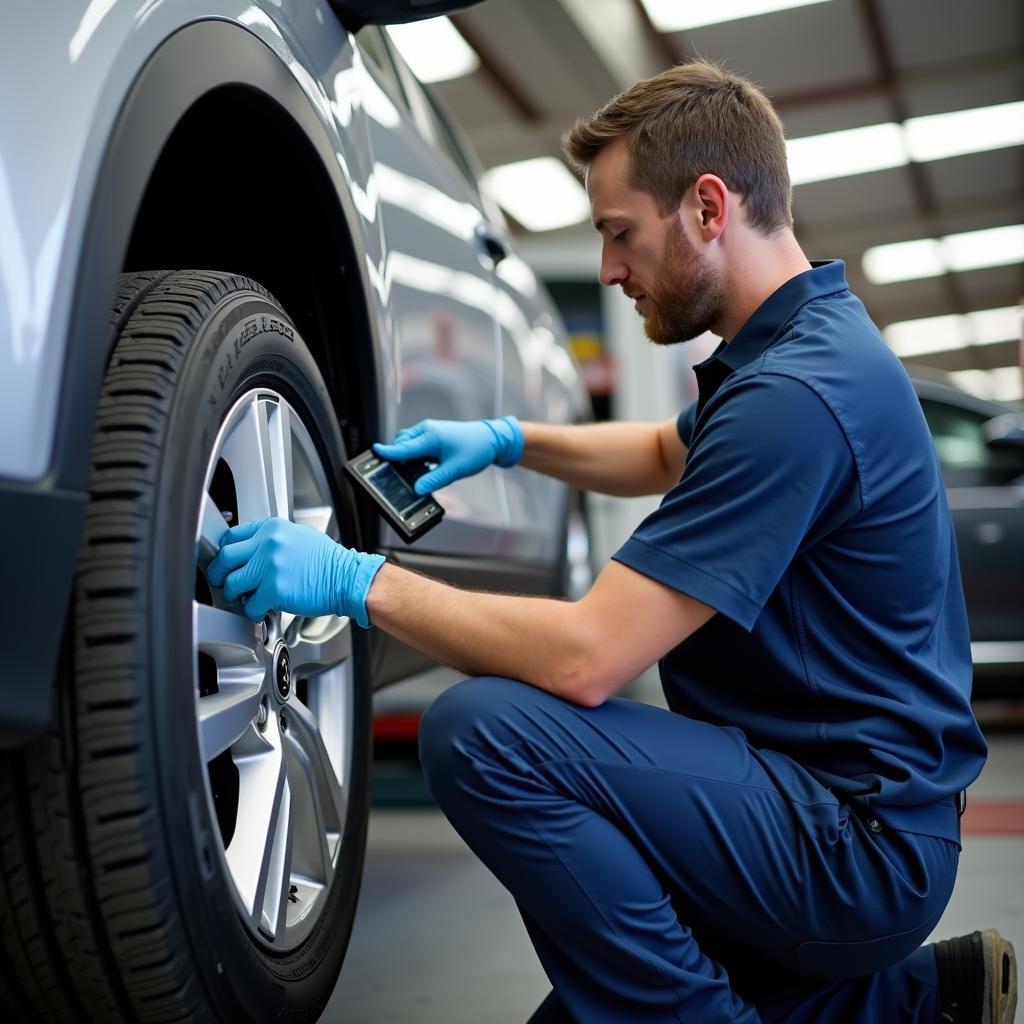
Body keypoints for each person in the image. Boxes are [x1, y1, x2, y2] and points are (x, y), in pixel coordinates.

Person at [205, 58, 1017, 1024]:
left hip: (851, 847)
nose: (610, 270)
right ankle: (922, 1002)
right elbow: (657, 450)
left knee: (485, 733)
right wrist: (506, 442)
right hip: (838, 811)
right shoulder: (803, 347)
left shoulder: (796, 400)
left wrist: (355, 578)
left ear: (708, 208)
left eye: (619, 234)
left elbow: (589, 660)